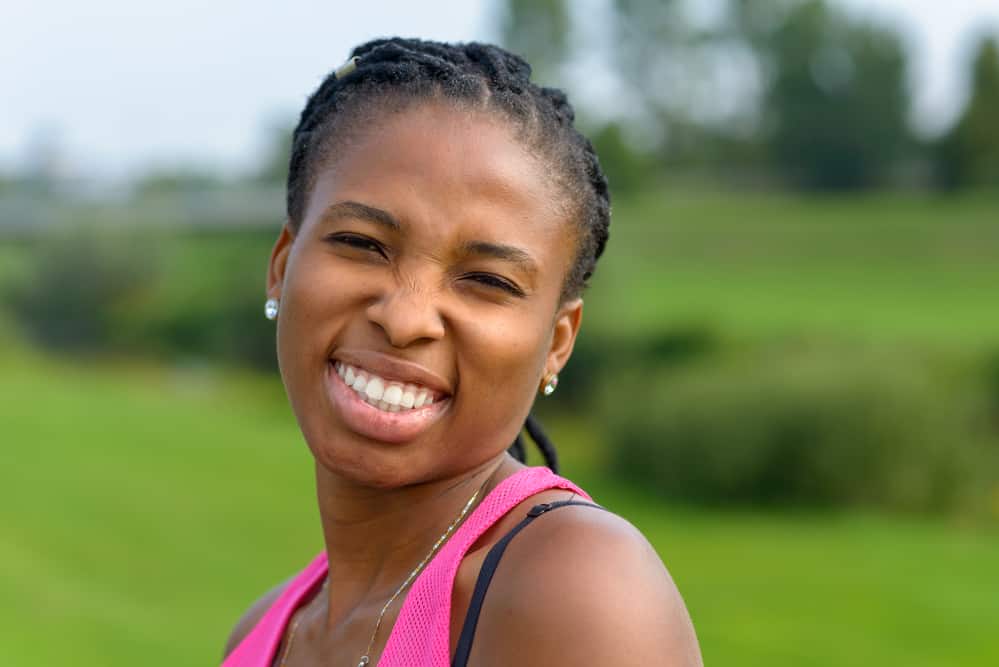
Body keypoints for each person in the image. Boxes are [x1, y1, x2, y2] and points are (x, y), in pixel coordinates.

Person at [221, 37, 702, 667]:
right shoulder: (264, 633)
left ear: (557, 344)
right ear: (282, 266)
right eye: (363, 243)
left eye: (489, 281)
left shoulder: (576, 593)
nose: (405, 318)